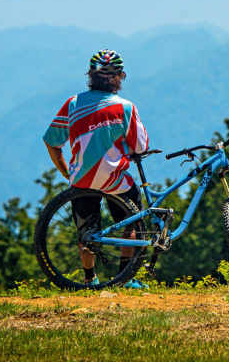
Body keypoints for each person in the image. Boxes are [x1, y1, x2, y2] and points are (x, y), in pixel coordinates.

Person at [42, 49, 150, 288]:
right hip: (115, 180)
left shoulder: (73, 104)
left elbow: (51, 141)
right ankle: (126, 279)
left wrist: (66, 172)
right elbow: (141, 146)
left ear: (90, 75)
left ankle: (90, 278)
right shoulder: (126, 108)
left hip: (81, 179)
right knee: (132, 222)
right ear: (120, 77)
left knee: (86, 231)